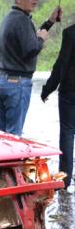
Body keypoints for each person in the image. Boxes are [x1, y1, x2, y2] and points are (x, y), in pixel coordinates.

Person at [0, 0, 61, 136]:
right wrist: (41, 40)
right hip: (16, 83)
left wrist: (49, 22)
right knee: (13, 135)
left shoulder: (12, 16)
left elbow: (27, 39)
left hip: (1, 80)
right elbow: (31, 49)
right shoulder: (21, 20)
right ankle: (11, 160)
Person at [42, 24, 75, 190]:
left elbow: (62, 64)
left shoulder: (70, 33)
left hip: (70, 91)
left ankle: (65, 179)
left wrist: (48, 88)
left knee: (67, 134)